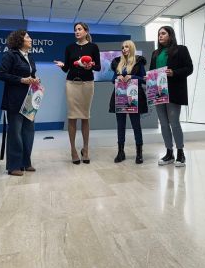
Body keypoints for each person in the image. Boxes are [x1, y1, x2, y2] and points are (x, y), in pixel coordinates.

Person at [53, 22, 101, 164]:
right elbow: (67, 67)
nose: (77, 31)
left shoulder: (93, 47)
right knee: (72, 116)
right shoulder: (70, 47)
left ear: (86, 31)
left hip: (87, 84)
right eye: (75, 30)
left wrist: (91, 65)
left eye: (79, 29)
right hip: (72, 84)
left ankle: (85, 149)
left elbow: (98, 67)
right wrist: (62, 66)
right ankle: (73, 150)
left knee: (85, 117)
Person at [149, 26, 193, 167]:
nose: (160, 36)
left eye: (163, 33)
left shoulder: (181, 49)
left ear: (170, 35)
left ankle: (180, 153)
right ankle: (169, 153)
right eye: (159, 34)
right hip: (158, 91)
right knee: (163, 123)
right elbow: (151, 71)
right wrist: (148, 77)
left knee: (174, 122)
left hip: (174, 91)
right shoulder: (155, 53)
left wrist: (174, 72)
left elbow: (189, 68)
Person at [0, 30, 39, 176]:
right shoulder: (10, 55)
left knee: (29, 131)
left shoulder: (30, 56)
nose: (30, 39)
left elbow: (31, 74)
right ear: (20, 40)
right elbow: (2, 74)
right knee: (15, 132)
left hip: (29, 99)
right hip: (14, 99)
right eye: (28, 37)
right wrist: (21, 80)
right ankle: (14, 166)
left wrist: (35, 79)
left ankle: (26, 162)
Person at [108, 40, 147, 164]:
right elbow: (112, 79)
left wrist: (132, 76)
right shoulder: (118, 63)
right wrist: (117, 77)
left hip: (134, 97)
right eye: (122, 47)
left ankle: (139, 153)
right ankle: (121, 152)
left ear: (131, 48)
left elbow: (144, 79)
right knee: (120, 125)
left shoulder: (139, 62)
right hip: (120, 96)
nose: (124, 49)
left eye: (126, 47)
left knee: (136, 125)